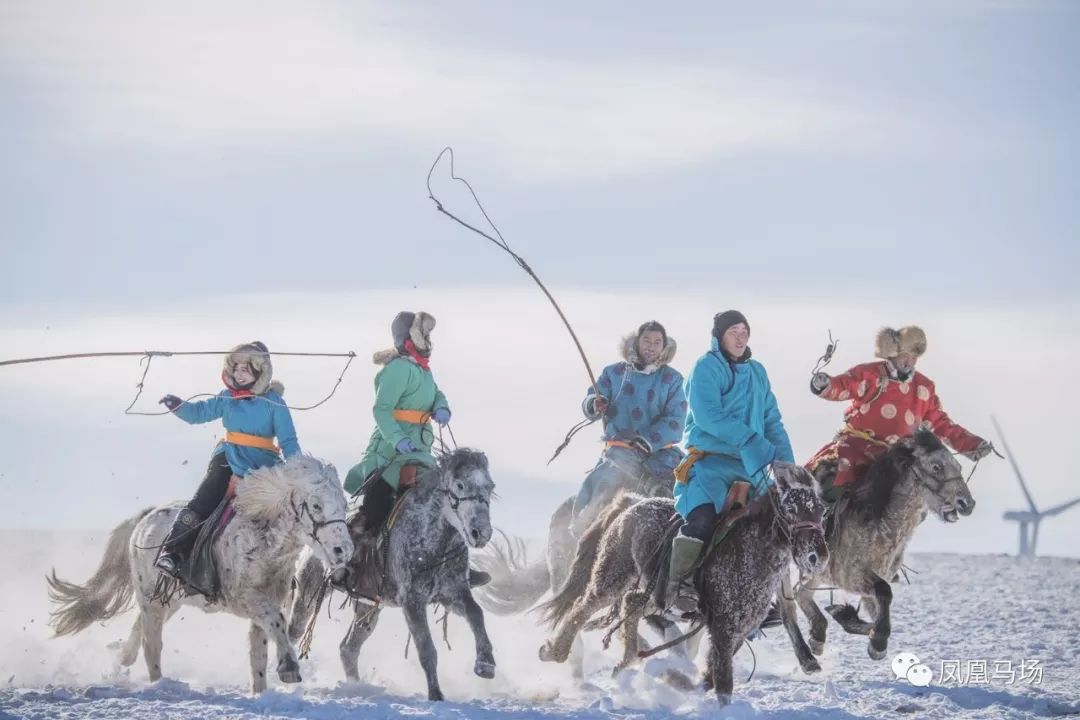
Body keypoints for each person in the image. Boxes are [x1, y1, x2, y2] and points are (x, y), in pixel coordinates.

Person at [665, 311, 794, 612]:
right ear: (720, 335)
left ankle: (773, 597)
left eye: (744, 331)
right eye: (733, 331)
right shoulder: (706, 367)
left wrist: (786, 464)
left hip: (751, 468)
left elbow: (771, 420)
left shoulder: (758, 372)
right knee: (703, 519)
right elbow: (709, 416)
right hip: (709, 464)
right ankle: (680, 586)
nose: (740, 337)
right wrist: (750, 439)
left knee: (779, 523)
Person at [155, 341, 299, 578]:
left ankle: (285, 569)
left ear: (260, 372)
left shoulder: (275, 404)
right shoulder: (227, 398)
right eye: (237, 369)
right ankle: (173, 552)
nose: (239, 375)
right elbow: (198, 413)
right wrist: (178, 405)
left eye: (246, 370)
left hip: (265, 464)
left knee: (289, 508)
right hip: (229, 458)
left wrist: (297, 470)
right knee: (206, 497)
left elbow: (289, 441)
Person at [806, 325, 993, 500]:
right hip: (858, 447)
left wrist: (971, 444)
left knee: (913, 493)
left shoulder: (924, 387)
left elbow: (939, 422)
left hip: (898, 457)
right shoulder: (871, 374)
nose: (909, 362)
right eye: (905, 356)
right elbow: (845, 385)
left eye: (914, 357)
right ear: (892, 354)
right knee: (832, 477)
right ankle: (820, 520)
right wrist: (826, 385)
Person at [573, 321, 686, 533]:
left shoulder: (672, 379)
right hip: (621, 451)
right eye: (646, 340)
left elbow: (676, 419)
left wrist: (649, 440)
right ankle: (583, 528)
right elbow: (593, 396)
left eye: (657, 342)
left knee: (679, 491)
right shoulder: (613, 373)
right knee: (606, 485)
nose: (651, 346)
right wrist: (595, 403)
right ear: (637, 341)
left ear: (664, 346)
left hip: (660, 453)